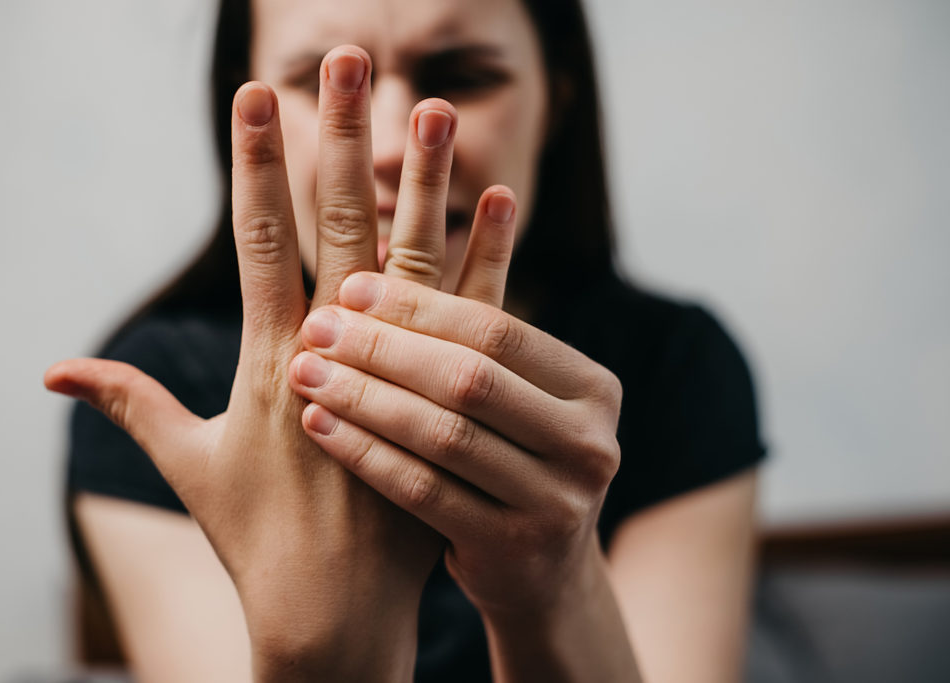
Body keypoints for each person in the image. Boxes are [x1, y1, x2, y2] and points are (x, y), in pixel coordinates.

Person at [45, 0, 766, 681]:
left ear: (556, 101)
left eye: (463, 79)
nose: (389, 145)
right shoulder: (163, 392)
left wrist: (552, 585)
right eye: (318, 81)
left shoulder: (675, 363)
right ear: (244, 103)